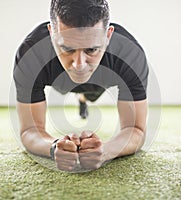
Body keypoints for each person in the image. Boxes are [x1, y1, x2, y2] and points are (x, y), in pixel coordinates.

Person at [13, 0, 148, 171]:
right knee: (80, 89)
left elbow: (136, 129)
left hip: (98, 85)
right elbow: (29, 131)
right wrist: (54, 147)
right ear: (51, 33)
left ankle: (83, 98)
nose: (79, 65)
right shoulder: (30, 54)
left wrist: (105, 151)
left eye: (91, 50)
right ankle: (82, 96)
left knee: (90, 94)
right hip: (61, 84)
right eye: (67, 49)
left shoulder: (130, 54)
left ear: (108, 36)